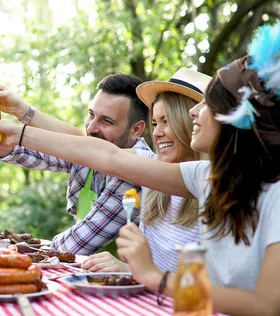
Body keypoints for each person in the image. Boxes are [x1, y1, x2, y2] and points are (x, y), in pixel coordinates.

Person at [0, 22, 280, 315]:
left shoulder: (275, 196)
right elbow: (109, 157)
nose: (194, 111)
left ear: (238, 119)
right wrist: (19, 131)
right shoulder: (205, 177)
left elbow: (267, 306)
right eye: (155, 122)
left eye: (207, 104)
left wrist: (152, 275)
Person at [0, 74, 151, 255]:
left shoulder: (139, 170)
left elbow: (75, 245)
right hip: (88, 275)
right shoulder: (90, 153)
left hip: (126, 281)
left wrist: (14, 247)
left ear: (136, 129)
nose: (91, 128)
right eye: (91, 115)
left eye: (107, 121)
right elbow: (22, 152)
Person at [82, 68, 209, 273]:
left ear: (192, 121)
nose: (157, 133)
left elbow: (203, 284)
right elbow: (94, 150)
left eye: (167, 121)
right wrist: (22, 126)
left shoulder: (213, 184)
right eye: (154, 123)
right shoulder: (150, 170)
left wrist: (127, 269)